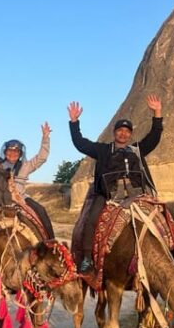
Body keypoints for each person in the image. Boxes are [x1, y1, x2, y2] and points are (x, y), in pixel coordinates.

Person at [68, 94, 162, 275]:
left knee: (162, 215)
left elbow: (154, 137)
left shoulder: (136, 150)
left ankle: (173, 251)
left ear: (130, 134)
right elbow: (80, 144)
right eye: (120, 130)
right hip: (108, 195)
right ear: (114, 132)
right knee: (91, 220)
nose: (123, 133)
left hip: (136, 194)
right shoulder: (102, 150)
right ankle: (87, 258)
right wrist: (74, 122)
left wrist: (157, 113)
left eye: (127, 131)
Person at [0, 116, 55, 238]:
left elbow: (41, 158)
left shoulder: (26, 166)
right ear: (5, 152)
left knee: (41, 210)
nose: (12, 153)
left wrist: (45, 138)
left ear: (20, 154)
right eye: (10, 150)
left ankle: (50, 243)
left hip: (21, 199)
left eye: (16, 151)